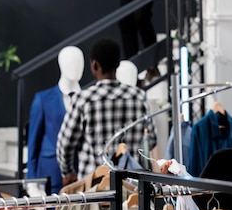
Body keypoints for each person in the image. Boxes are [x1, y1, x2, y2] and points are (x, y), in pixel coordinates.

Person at [56, 38, 157, 186]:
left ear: (95, 65)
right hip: (130, 186)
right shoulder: (138, 96)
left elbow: (65, 145)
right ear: (117, 64)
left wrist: (68, 172)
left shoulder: (83, 99)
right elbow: (152, 139)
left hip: (94, 187)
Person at [27, 46, 84, 194]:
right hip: (51, 172)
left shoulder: (88, 99)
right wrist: (31, 180)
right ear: (61, 64)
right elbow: (33, 142)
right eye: (71, 62)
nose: (76, 67)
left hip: (82, 172)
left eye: (80, 62)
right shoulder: (43, 99)